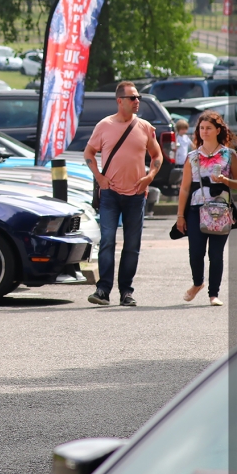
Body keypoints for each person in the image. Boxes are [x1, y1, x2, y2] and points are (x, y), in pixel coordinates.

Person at [83, 81, 164, 306]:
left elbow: (157, 155)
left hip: (136, 195)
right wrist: (99, 177)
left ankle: (126, 292)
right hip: (110, 194)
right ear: (120, 101)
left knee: (132, 245)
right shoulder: (104, 125)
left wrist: (149, 177)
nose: (137, 101)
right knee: (107, 241)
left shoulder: (145, 127)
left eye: (138, 98)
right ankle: (102, 290)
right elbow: (89, 152)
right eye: (132, 98)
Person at [175, 111, 233, 306]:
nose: (204, 131)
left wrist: (226, 180)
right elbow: (184, 188)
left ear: (218, 130)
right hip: (195, 210)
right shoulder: (192, 157)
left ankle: (213, 294)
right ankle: (198, 283)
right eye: (201, 128)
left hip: (220, 211)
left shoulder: (229, 155)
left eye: (209, 128)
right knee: (196, 252)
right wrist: (180, 216)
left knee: (216, 256)